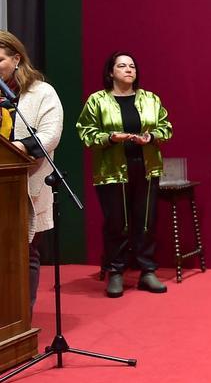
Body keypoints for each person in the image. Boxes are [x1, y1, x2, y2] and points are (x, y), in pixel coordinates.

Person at [76, 52, 172, 297]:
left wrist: (151, 137)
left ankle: (147, 271)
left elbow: (166, 127)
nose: (129, 70)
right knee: (117, 222)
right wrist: (109, 137)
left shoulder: (150, 99)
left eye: (132, 66)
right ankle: (116, 272)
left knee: (146, 221)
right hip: (111, 170)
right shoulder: (97, 101)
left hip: (147, 167)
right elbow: (85, 132)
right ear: (111, 72)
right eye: (122, 66)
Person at [0, 31, 64, 310]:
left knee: (25, 252)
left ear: (16, 59)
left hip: (27, 183)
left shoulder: (41, 92)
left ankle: (21, 317)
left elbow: (50, 133)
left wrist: (16, 146)